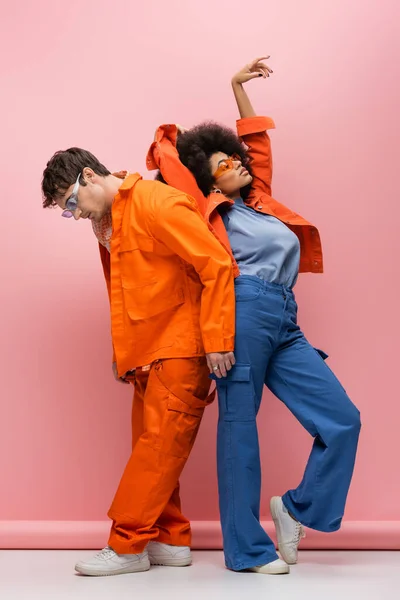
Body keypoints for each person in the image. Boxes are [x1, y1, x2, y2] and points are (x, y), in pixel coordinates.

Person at [147, 57, 361, 575]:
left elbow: (257, 146)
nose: (237, 164)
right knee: (239, 425)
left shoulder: (258, 202)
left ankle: (295, 508)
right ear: (207, 178)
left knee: (343, 420)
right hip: (240, 310)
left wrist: (236, 88)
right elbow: (172, 161)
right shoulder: (206, 210)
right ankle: (245, 549)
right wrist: (175, 141)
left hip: (284, 317)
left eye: (235, 158)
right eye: (223, 163)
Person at [41, 150, 236, 576]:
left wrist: (219, 338)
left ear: (89, 176)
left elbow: (216, 262)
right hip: (145, 353)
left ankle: (127, 544)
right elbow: (122, 288)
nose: (73, 216)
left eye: (71, 203)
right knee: (149, 449)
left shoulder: (156, 202)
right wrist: (122, 352)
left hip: (180, 347)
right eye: (66, 212)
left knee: (157, 450)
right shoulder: (105, 223)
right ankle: (170, 539)